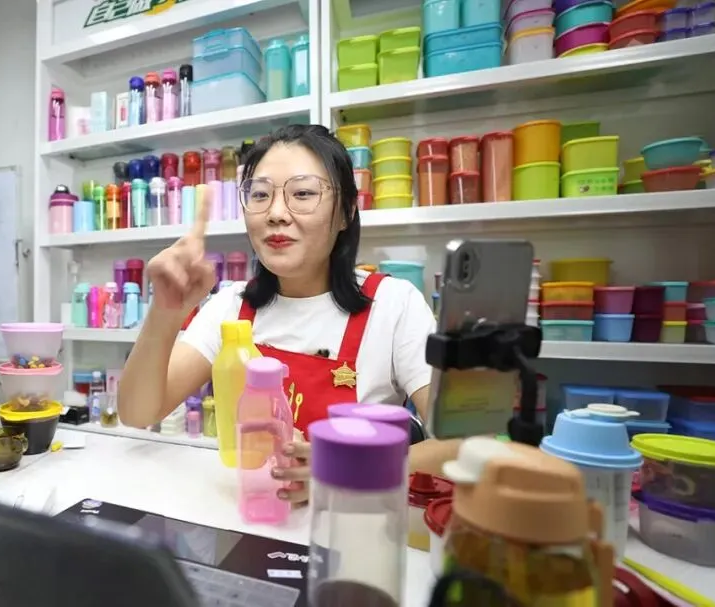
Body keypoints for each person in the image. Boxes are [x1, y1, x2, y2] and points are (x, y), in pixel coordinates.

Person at [117, 124, 461, 505]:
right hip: (249, 515)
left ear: (346, 212)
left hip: (349, 525)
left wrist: (346, 468)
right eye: (260, 195)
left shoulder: (394, 306)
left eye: (303, 193)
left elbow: (462, 445)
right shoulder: (232, 306)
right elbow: (137, 412)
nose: (276, 213)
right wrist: (166, 311)